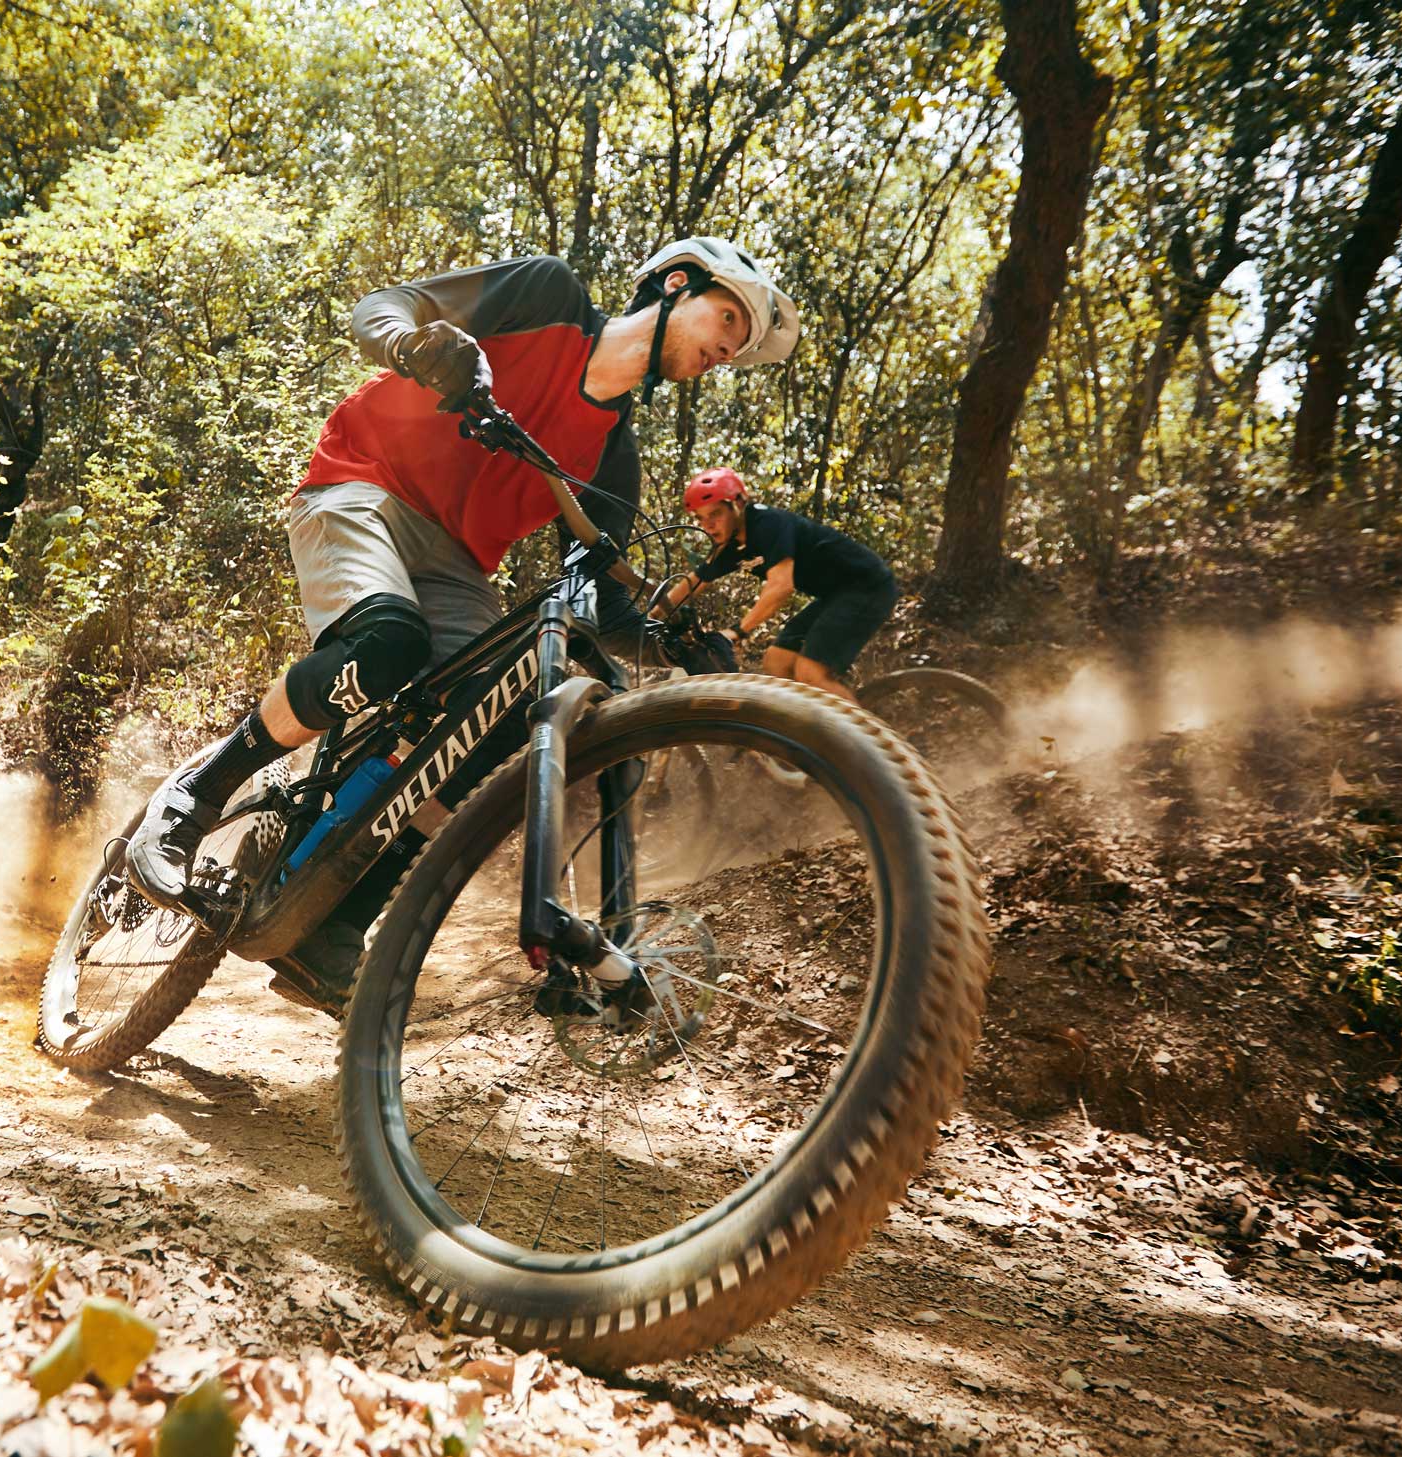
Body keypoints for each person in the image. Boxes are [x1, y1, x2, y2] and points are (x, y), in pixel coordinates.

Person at [124, 239, 801, 991]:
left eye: (740, 345)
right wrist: (416, 345)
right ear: (676, 284)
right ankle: (196, 797)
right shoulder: (550, 296)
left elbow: (604, 602)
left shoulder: (612, 455)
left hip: (456, 564)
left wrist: (673, 645)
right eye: (729, 318)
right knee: (388, 640)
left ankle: (339, 925)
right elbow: (383, 307)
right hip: (363, 484)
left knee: (503, 713)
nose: (730, 348)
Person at [654, 467, 897, 703]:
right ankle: (804, 727)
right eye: (700, 518)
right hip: (834, 595)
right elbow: (694, 582)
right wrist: (651, 616)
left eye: (715, 514)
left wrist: (737, 631)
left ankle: (859, 732)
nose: (707, 525)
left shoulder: (767, 523)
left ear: (738, 504)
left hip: (868, 586)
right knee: (777, 662)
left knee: (810, 672)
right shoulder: (732, 544)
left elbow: (781, 587)